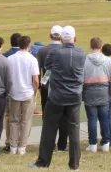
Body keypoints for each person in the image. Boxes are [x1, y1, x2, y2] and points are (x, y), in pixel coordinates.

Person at [29, 26, 86, 170]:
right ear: (75, 38)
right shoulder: (81, 52)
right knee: (74, 130)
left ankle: (43, 162)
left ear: (61, 38)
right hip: (74, 97)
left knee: (49, 129)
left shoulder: (55, 52)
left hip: (56, 97)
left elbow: (48, 66)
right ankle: (74, 164)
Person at [35, 26, 67, 153]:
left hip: (47, 87)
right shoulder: (65, 50)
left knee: (48, 117)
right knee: (64, 117)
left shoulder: (42, 50)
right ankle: (62, 145)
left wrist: (39, 86)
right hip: (63, 87)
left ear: (50, 35)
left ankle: (49, 144)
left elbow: (37, 71)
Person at [83, 37, 111, 153]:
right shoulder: (108, 61)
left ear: (90, 46)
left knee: (92, 119)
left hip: (89, 92)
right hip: (104, 92)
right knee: (104, 118)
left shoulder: (85, 60)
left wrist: (82, 94)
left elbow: (80, 79)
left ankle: (92, 144)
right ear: (101, 47)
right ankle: (105, 143)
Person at [7, 36, 39, 155]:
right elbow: (35, 80)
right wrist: (34, 92)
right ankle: (21, 147)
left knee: (14, 120)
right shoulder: (32, 59)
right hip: (27, 92)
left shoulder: (10, 58)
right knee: (25, 120)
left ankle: (13, 146)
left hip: (14, 92)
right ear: (29, 46)